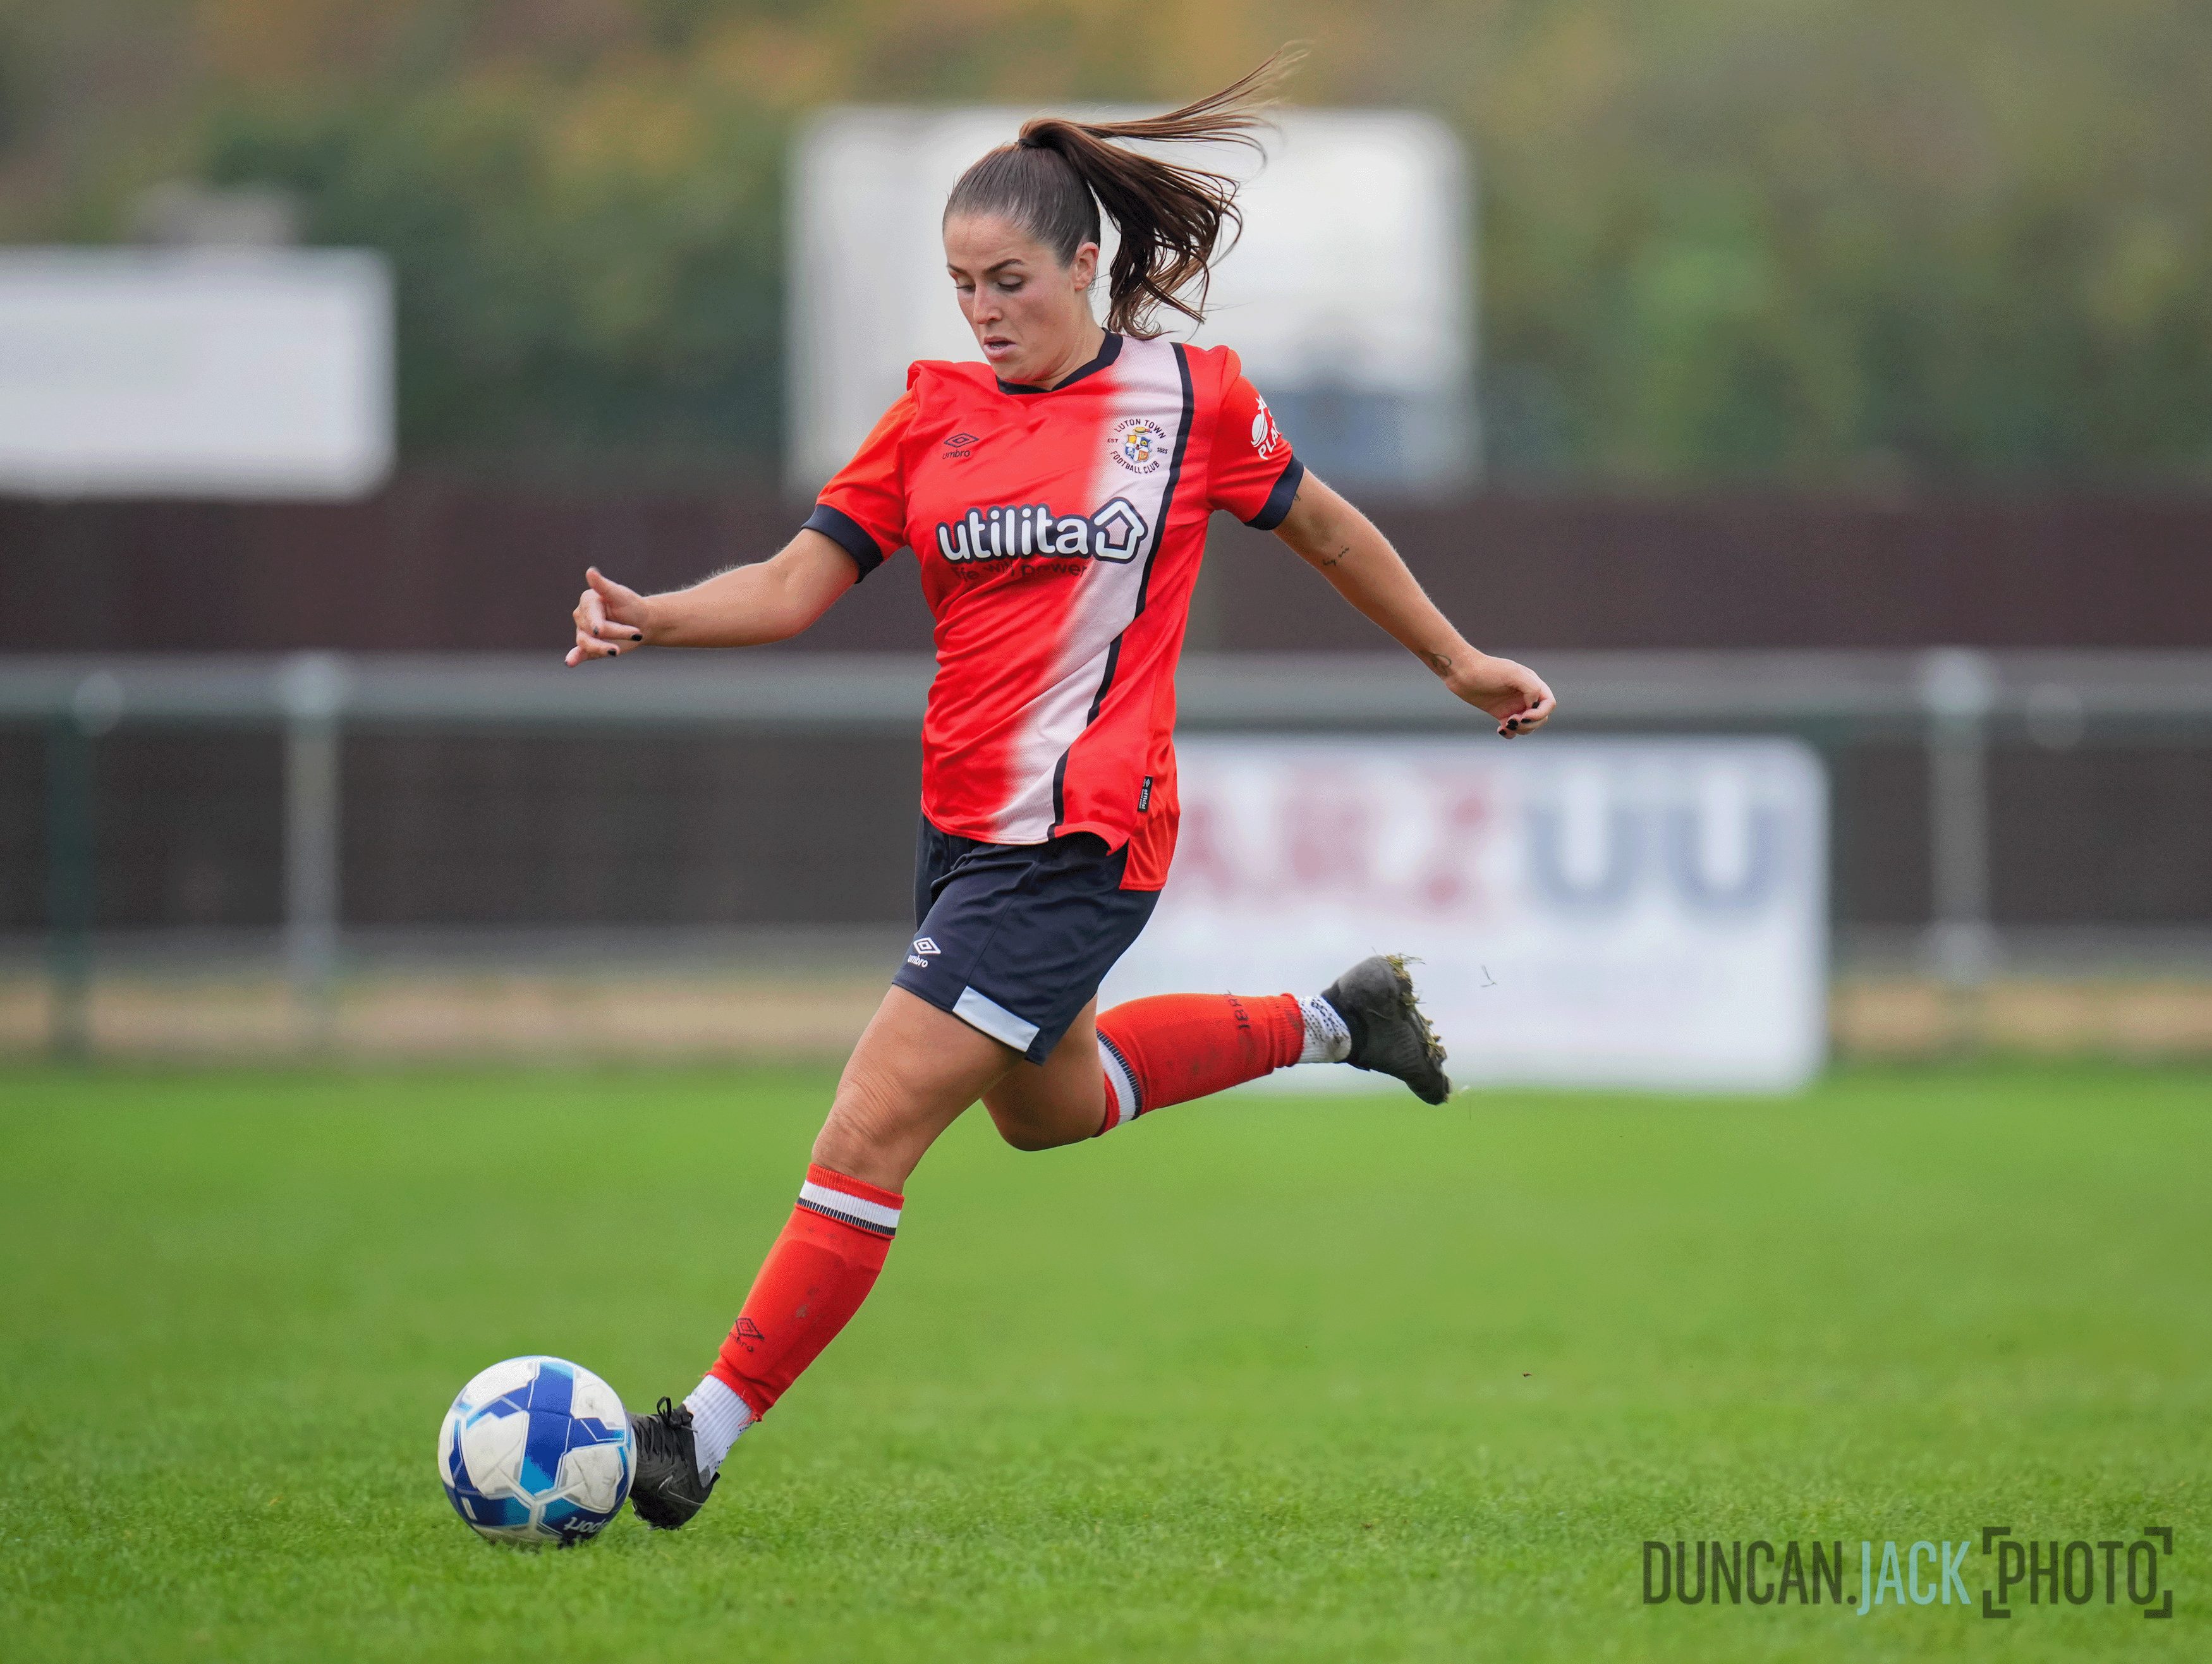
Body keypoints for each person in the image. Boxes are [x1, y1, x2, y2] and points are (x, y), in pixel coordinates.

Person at [564, 52, 1555, 1530]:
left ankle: (693, 1436)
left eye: (1009, 279)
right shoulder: (929, 417)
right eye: (960, 283)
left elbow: (1331, 532)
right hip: (965, 832)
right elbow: (785, 587)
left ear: (1088, 264)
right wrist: (651, 610)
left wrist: (1459, 658)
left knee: (866, 1129)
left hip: (1084, 837)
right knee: (1049, 1110)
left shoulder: (1187, 398)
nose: (982, 309)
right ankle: (1340, 1016)